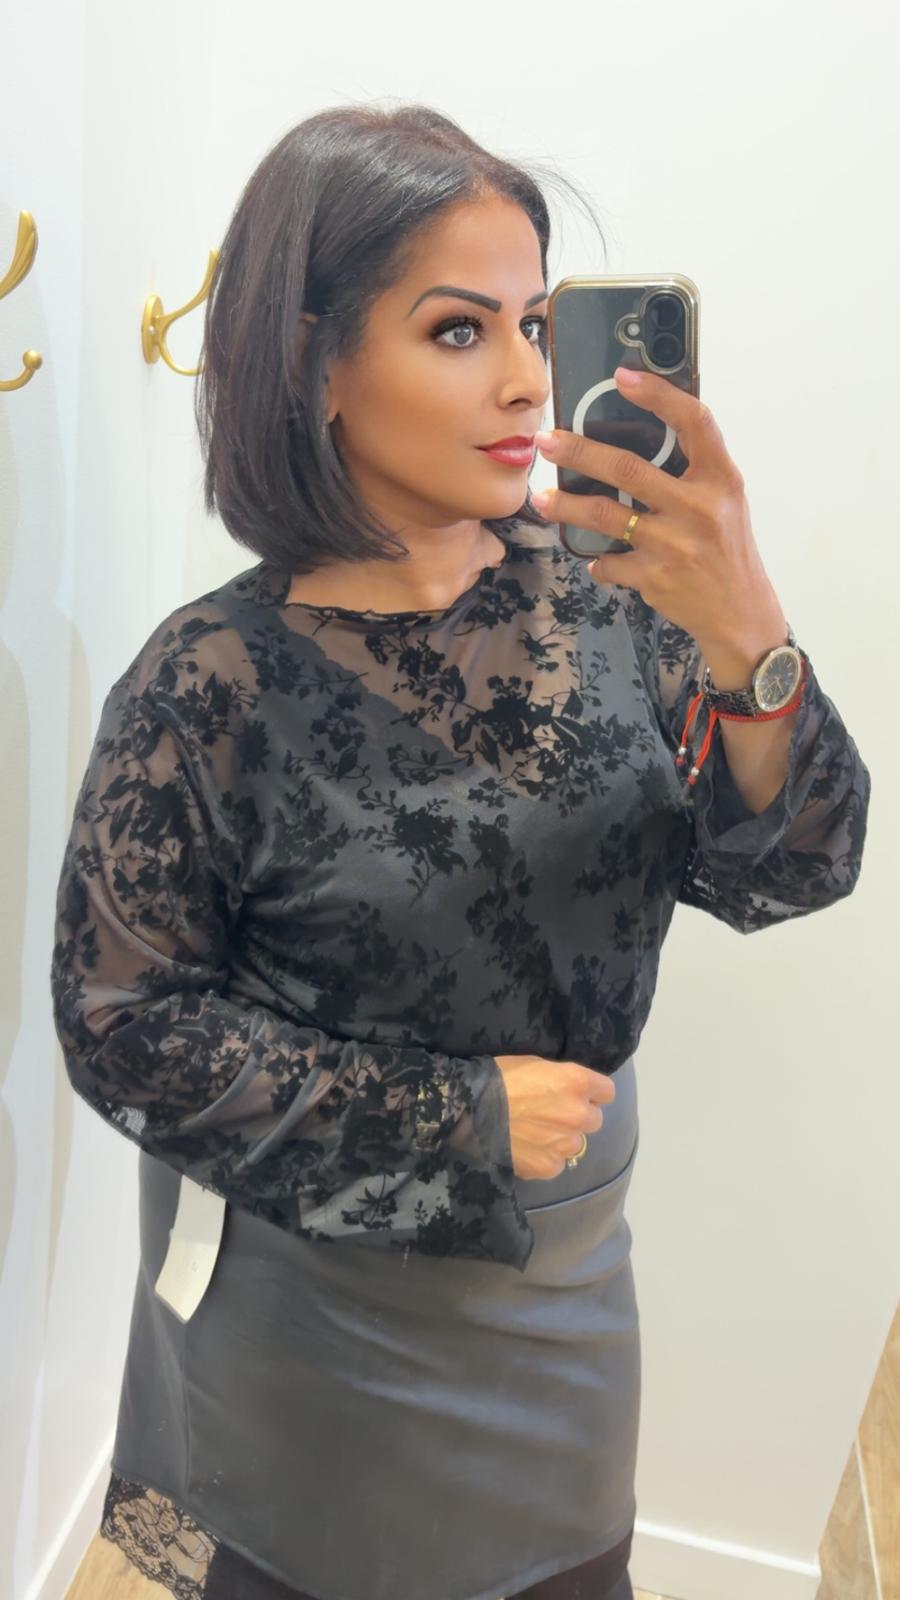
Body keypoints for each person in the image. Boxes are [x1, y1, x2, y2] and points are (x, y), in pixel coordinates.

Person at [49, 103, 871, 1600]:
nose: (524, 378)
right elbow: (122, 1026)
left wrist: (750, 631)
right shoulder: (206, 682)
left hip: (564, 1293)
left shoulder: (622, 608)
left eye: (536, 323)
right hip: (313, 1321)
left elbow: (794, 869)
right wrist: (456, 1116)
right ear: (312, 364)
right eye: (456, 329)